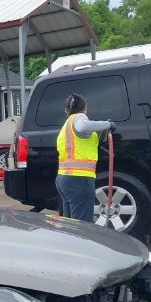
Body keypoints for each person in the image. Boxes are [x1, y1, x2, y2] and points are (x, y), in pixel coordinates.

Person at [55, 93, 115, 222]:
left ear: (66, 111)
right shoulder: (79, 117)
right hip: (78, 180)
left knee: (70, 223)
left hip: (63, 179)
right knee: (82, 226)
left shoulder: (66, 126)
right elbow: (83, 126)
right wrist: (108, 125)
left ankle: (69, 242)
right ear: (85, 108)